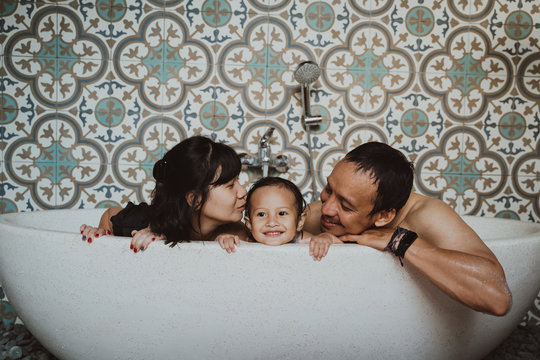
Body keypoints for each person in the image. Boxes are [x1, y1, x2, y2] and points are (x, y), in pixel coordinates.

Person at [304, 141, 512, 316]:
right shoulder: (321, 213)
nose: (327, 208)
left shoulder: (427, 215)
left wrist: (402, 241)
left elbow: (498, 298)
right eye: (328, 189)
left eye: (346, 206)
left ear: (384, 216)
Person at [80, 136, 248, 251]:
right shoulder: (142, 224)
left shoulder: (235, 231)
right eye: (230, 185)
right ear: (195, 200)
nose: (243, 191)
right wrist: (102, 238)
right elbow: (111, 213)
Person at [217, 177, 333, 257]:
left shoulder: (305, 241)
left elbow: (343, 252)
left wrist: (326, 238)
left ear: (300, 222)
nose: (272, 223)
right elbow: (211, 250)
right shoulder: (244, 242)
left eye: (282, 213)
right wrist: (224, 240)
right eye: (261, 214)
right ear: (249, 224)